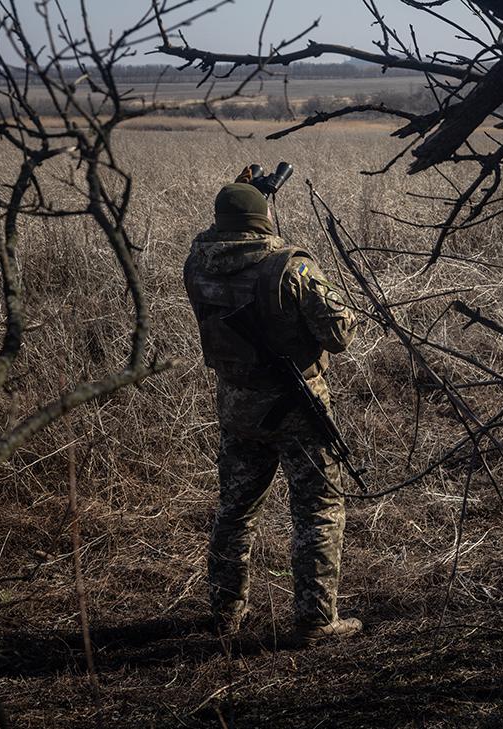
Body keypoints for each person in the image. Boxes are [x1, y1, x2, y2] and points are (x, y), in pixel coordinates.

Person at [183, 174, 361, 642]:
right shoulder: (288, 266)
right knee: (319, 509)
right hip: (294, 406)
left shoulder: (197, 264)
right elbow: (339, 336)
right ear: (263, 219)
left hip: (236, 405)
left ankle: (224, 613)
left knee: (235, 510)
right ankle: (316, 620)